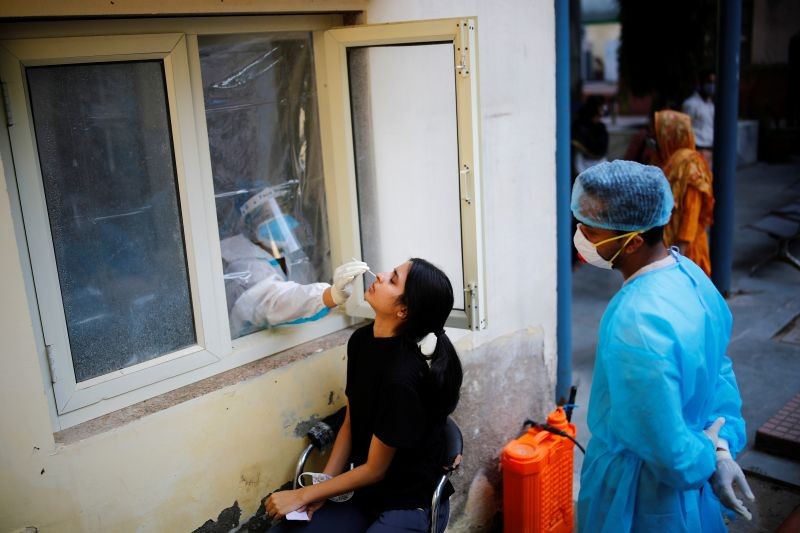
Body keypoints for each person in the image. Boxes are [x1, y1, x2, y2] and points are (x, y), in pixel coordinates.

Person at [571, 160, 753, 532]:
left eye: (589, 231)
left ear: (633, 240)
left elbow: (667, 450)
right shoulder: (690, 275)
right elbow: (718, 370)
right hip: (688, 492)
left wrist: (701, 456)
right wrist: (719, 447)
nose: (580, 237)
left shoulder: (635, 320)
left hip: (641, 498)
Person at [265, 258, 463, 532]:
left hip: (406, 502)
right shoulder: (361, 341)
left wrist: (301, 495)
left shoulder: (401, 377)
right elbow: (351, 421)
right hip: (365, 492)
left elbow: (375, 469)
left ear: (403, 310)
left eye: (393, 279)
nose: (380, 275)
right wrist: (321, 488)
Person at [221, 233, 367, 338]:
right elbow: (274, 301)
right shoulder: (245, 265)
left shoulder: (287, 252)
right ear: (250, 221)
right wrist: (331, 295)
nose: (280, 212)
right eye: (266, 213)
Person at [654, 109, 715, 276]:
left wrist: (678, 256)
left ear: (671, 135)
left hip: (687, 252)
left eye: (659, 134)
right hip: (674, 249)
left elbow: (691, 214)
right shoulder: (673, 162)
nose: (656, 140)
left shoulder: (690, 166)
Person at [681, 70, 716, 168]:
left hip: (710, 151)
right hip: (697, 150)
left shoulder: (711, 105)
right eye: (709, 82)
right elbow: (685, 130)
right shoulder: (691, 104)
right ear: (701, 83)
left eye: (713, 82)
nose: (711, 86)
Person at [571, 95, 610, 176]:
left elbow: (601, 149)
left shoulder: (600, 127)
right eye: (601, 108)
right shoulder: (580, 127)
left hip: (599, 166)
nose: (603, 111)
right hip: (582, 167)